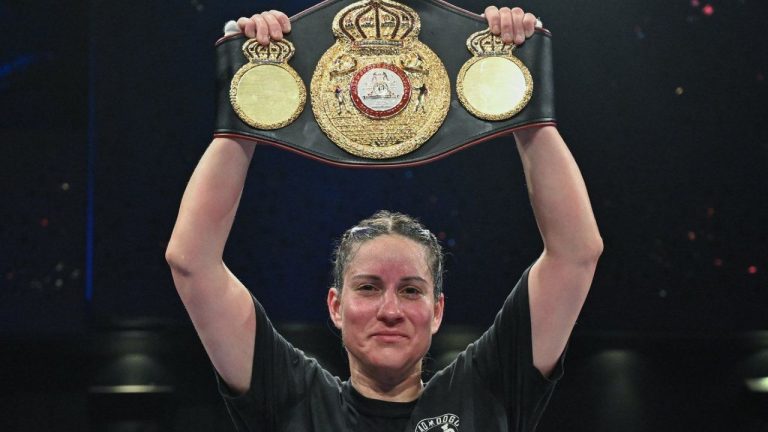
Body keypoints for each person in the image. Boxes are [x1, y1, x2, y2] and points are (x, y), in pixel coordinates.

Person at [166, 5, 603, 431]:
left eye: (411, 290)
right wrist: (249, 101)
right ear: (336, 305)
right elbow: (192, 261)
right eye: (369, 287)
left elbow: (576, 254)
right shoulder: (291, 397)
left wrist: (523, 98)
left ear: (437, 310)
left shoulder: (487, 390)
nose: (390, 310)